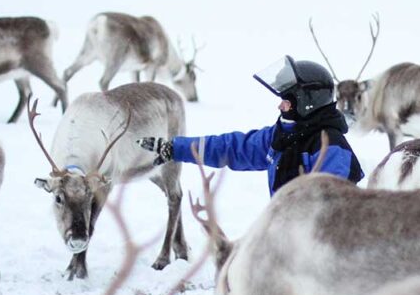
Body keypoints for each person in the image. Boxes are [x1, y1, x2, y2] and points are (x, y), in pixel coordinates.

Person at [137, 56, 363, 195]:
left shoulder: (331, 149)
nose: (280, 107)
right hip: (290, 233)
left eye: (287, 101)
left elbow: (330, 208)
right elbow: (230, 148)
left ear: (307, 103)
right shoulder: (282, 137)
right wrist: (175, 148)